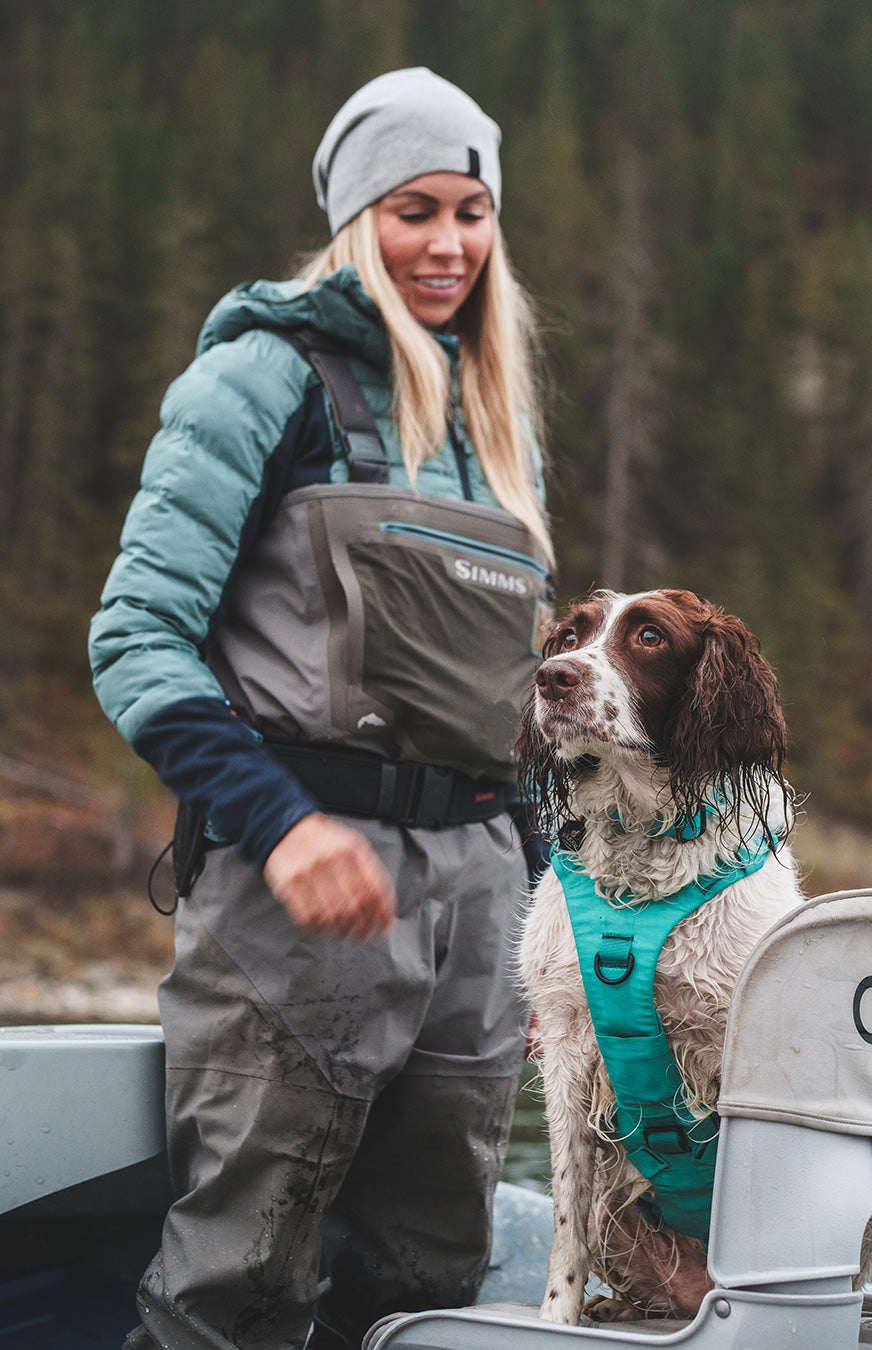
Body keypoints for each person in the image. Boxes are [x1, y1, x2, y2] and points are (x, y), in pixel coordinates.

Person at [89, 67, 554, 1350]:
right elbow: (135, 638)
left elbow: (502, 720)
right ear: (358, 218)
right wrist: (284, 827)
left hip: (480, 919)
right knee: (237, 1292)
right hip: (298, 908)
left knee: (427, 1288)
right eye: (415, 210)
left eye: (472, 211)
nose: (449, 244)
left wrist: (545, 898)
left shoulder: (491, 428)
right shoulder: (260, 379)